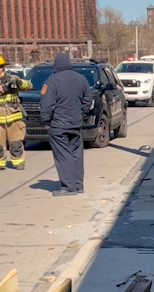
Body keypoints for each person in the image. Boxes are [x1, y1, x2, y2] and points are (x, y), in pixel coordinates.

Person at [39, 53, 92, 196]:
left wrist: (46, 121)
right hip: (75, 124)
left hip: (58, 125)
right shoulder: (81, 79)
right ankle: (78, 184)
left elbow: (46, 104)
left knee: (63, 155)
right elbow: (88, 99)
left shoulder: (52, 81)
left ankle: (68, 187)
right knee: (76, 154)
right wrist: (81, 115)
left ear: (56, 65)